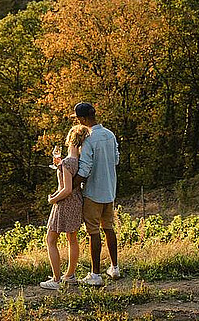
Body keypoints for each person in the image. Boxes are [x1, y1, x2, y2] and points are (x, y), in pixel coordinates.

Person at [72, 102, 120, 285]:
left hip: (93, 192)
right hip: (109, 190)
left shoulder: (89, 139)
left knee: (93, 232)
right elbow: (115, 159)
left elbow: (84, 170)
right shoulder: (110, 134)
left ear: (83, 119)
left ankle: (95, 274)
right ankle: (114, 268)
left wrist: (71, 188)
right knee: (109, 228)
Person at [39, 124, 90, 290]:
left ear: (70, 140)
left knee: (51, 239)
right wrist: (59, 165)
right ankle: (70, 276)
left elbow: (66, 189)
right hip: (76, 202)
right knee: (72, 239)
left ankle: (56, 279)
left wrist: (52, 200)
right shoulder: (78, 162)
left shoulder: (67, 162)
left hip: (65, 204)